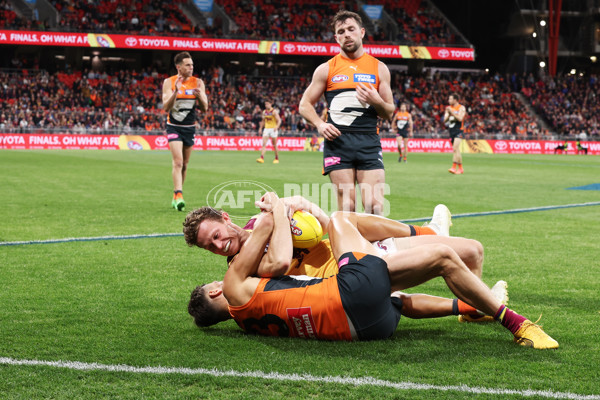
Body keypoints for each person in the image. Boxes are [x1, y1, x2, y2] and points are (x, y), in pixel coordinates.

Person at [188, 193, 558, 349]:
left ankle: (468, 306)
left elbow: (293, 254)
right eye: (211, 246)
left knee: (467, 254)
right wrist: (277, 205)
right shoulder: (239, 274)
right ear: (217, 291)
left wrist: (304, 213)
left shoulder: (242, 311)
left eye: (216, 237)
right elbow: (280, 258)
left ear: (224, 219)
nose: (219, 247)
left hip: (360, 325)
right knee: (344, 219)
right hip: (350, 283)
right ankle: (515, 322)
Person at [299, 10, 395, 215]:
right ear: (336, 38)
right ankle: (350, 248)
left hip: (368, 141)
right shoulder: (326, 69)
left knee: (375, 206)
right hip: (338, 143)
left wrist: (377, 101)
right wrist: (320, 124)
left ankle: (375, 247)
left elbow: (389, 112)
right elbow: (304, 104)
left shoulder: (379, 68)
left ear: (361, 32)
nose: (346, 34)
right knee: (347, 207)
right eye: (341, 31)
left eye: (351, 29)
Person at [162, 52, 208, 211]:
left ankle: (175, 196)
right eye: (188, 65)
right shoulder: (169, 82)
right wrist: (176, 91)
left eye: (192, 65)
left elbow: (205, 108)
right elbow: (166, 107)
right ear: (179, 67)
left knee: (185, 165)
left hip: (190, 127)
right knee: (178, 162)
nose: (191, 67)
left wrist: (200, 97)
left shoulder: (198, 83)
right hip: (173, 126)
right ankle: (179, 193)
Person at [443, 93, 466, 174]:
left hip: (459, 130)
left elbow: (460, 118)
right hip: (451, 131)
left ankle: (453, 167)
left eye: (450, 99)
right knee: (457, 151)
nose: (449, 100)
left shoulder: (461, 108)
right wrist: (448, 115)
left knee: (455, 148)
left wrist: (452, 113)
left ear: (455, 100)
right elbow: (444, 121)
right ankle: (461, 168)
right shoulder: (448, 108)